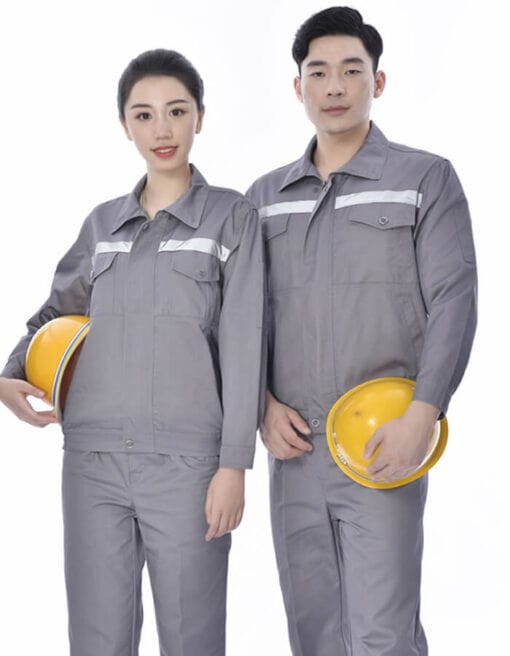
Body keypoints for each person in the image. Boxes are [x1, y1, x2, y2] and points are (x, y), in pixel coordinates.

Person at [0, 48, 264, 656]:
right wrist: (10, 373)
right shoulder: (102, 225)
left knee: (192, 640)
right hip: (92, 461)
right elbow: (56, 314)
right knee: (97, 641)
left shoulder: (232, 218)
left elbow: (246, 343)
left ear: (201, 116)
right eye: (143, 115)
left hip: (189, 465)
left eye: (177, 111)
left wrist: (234, 465)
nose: (161, 129)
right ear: (125, 125)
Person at [246, 7, 476, 656]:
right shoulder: (264, 198)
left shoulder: (423, 178)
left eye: (352, 70)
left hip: (383, 436)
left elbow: (454, 300)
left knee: (382, 633)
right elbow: (242, 319)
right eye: (319, 73)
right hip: (294, 448)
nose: (335, 87)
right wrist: (261, 406)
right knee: (313, 631)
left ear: (378, 81)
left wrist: (424, 414)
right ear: (299, 87)